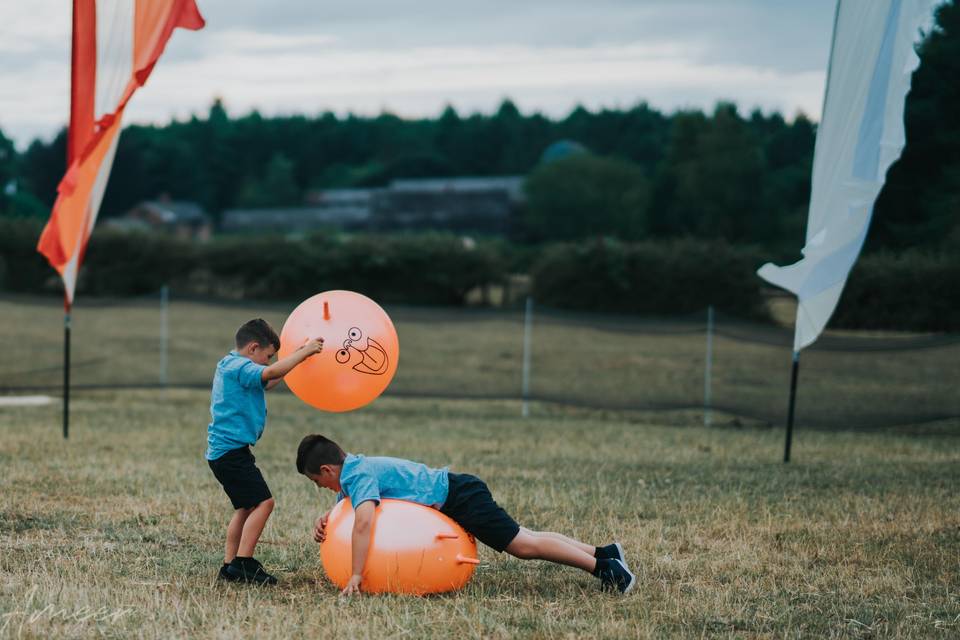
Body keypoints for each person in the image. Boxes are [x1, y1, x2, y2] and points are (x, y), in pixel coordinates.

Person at [295, 434, 635, 595]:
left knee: (523, 546)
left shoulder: (358, 474)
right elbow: (345, 507)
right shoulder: (354, 469)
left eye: (316, 481)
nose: (319, 487)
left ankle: (606, 571)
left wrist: (356, 574)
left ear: (327, 470)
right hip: (459, 490)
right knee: (526, 535)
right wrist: (325, 517)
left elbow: (364, 521)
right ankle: (603, 553)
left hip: (460, 499)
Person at [207, 319, 323, 585]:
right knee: (265, 503)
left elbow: (268, 382)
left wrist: (296, 360)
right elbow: (268, 375)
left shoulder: (231, 365)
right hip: (230, 453)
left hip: (226, 452)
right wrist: (304, 352)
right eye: (268, 357)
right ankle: (243, 563)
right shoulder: (239, 366)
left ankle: (229, 565)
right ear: (253, 348)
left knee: (246, 507)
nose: (269, 362)